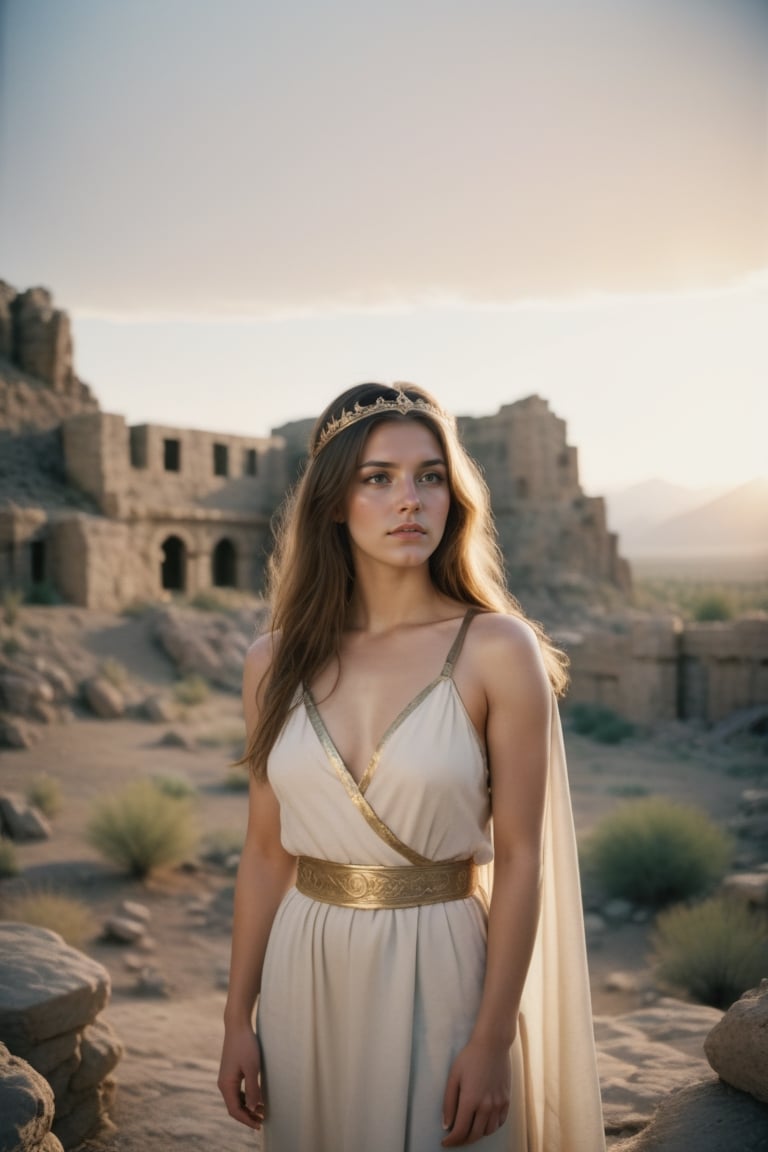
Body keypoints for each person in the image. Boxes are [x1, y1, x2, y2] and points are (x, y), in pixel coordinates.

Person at [218, 382, 605, 1151]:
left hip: (444, 967)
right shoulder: (273, 663)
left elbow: (523, 858)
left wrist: (493, 1039)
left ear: (454, 497)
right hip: (306, 970)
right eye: (378, 478)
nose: (411, 501)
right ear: (334, 502)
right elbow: (266, 853)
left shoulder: (497, 649)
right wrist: (237, 1019)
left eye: (430, 476)